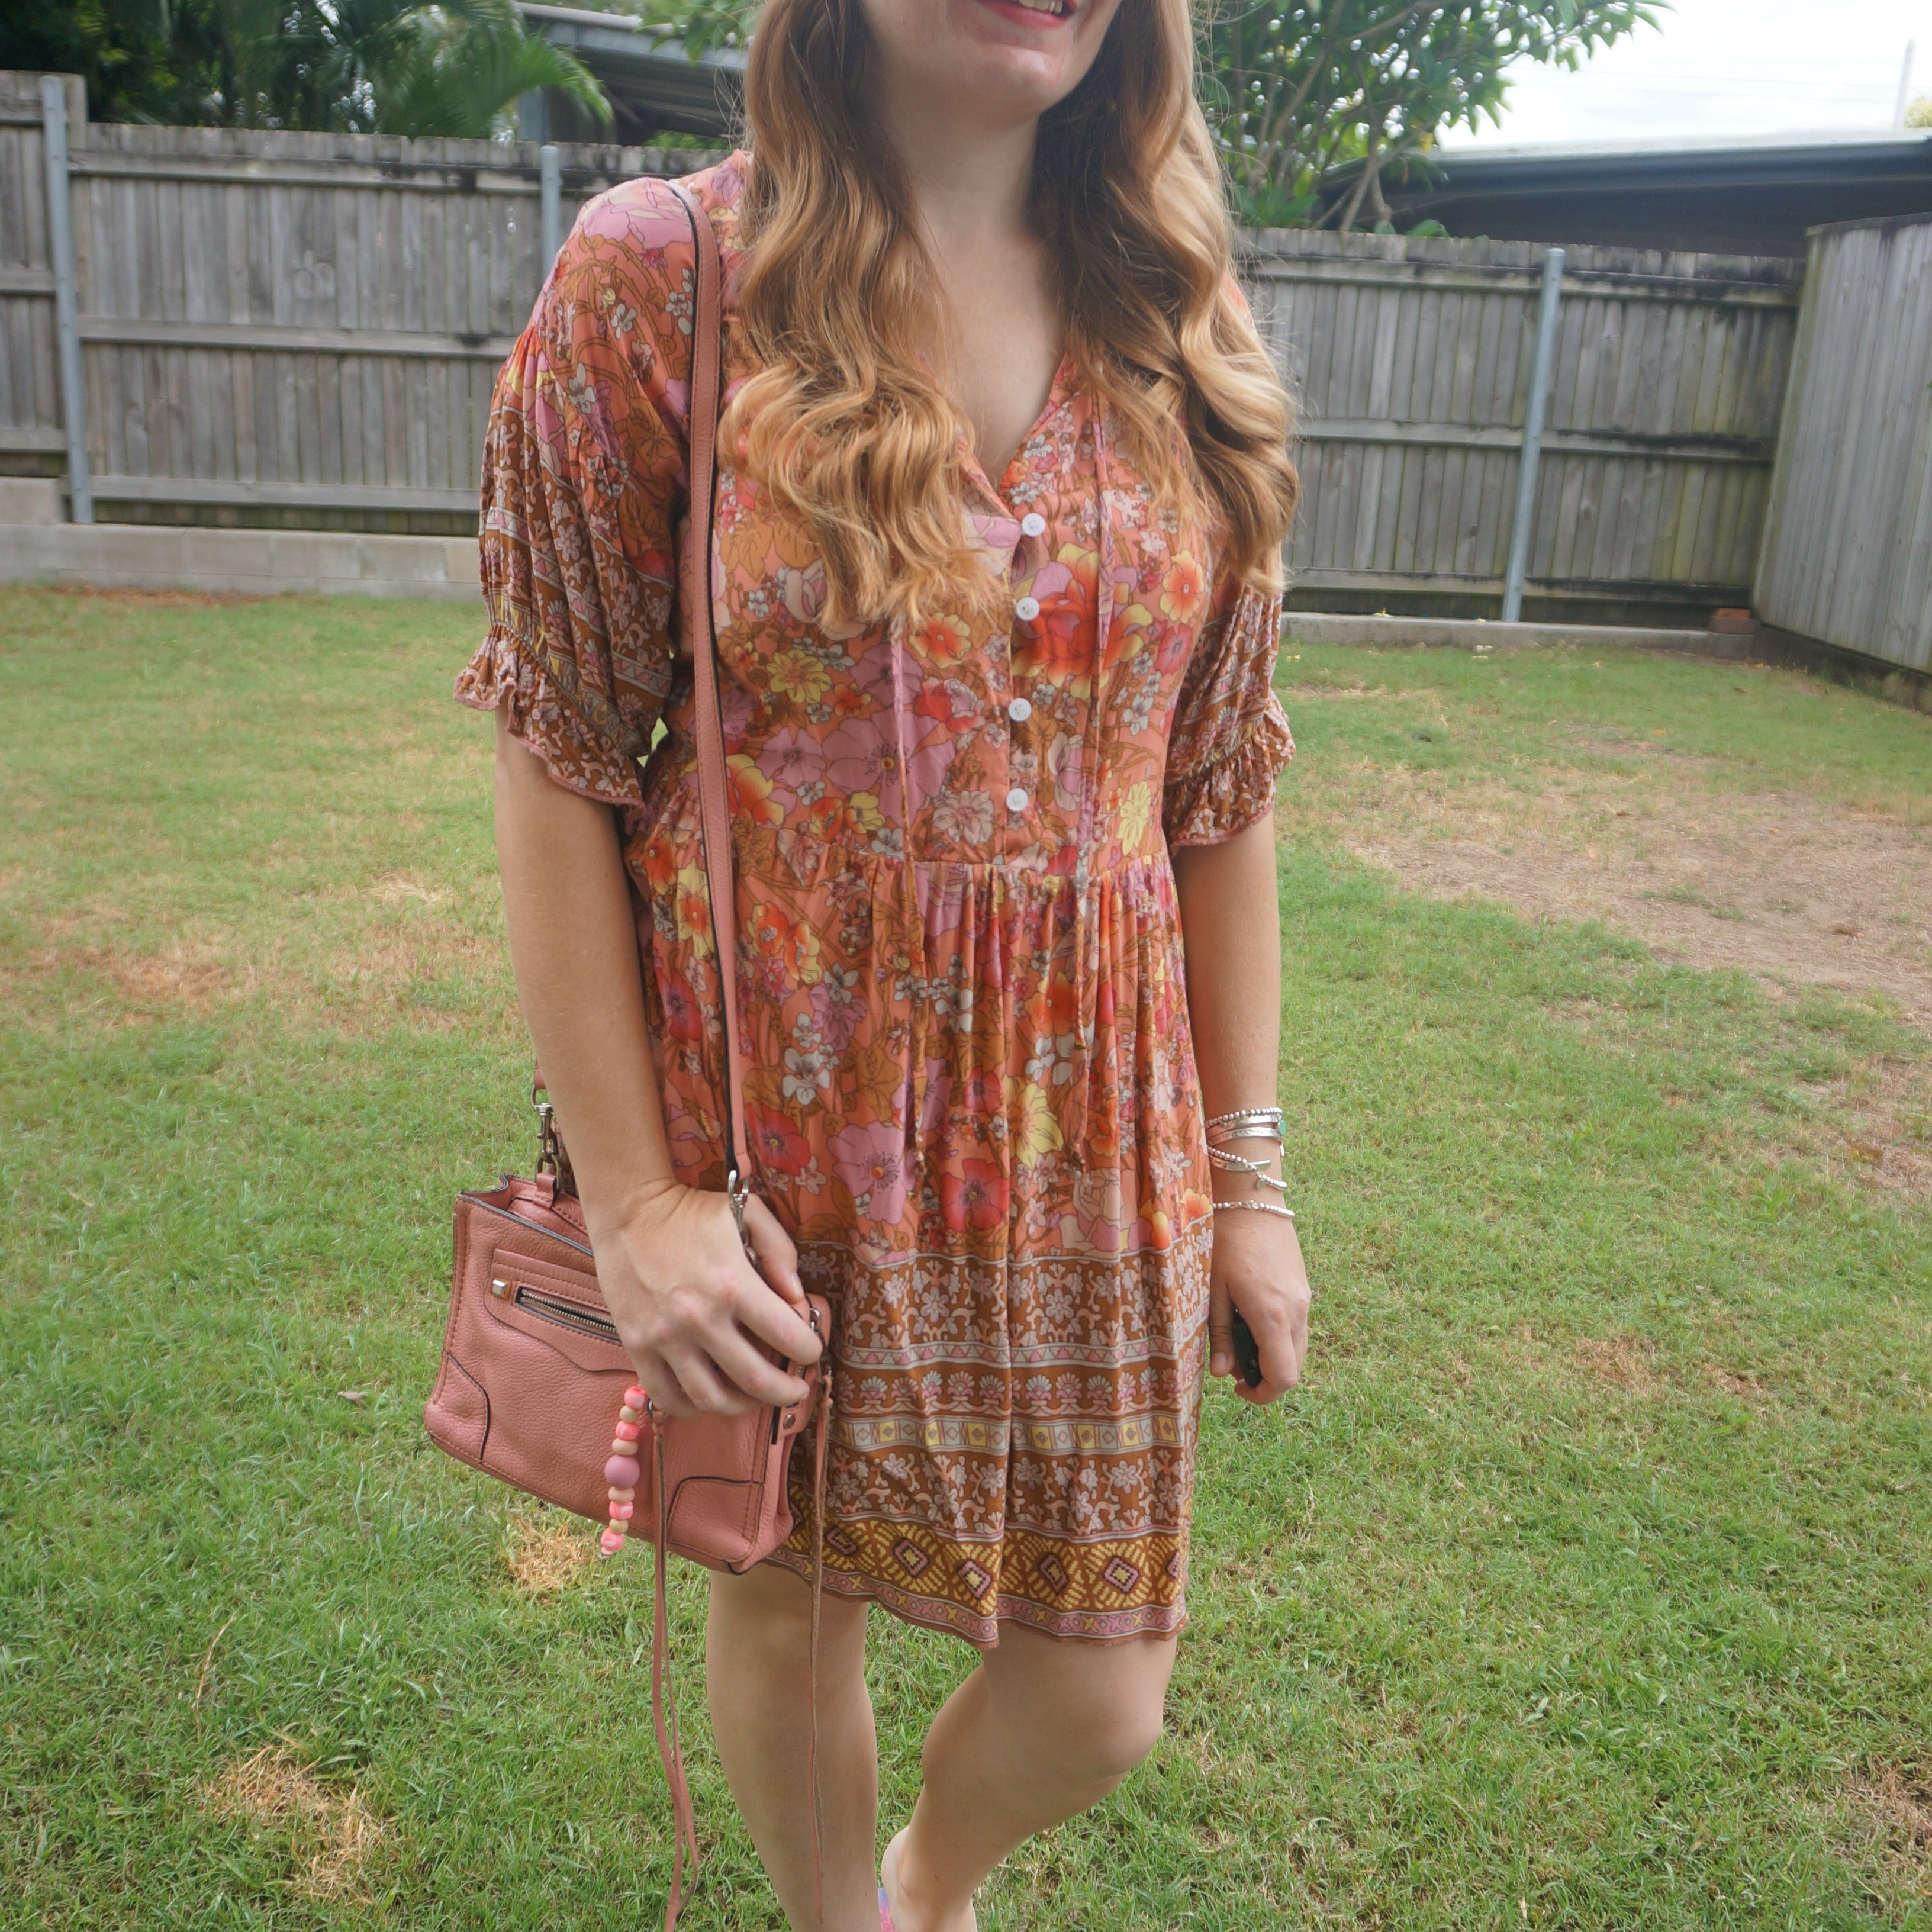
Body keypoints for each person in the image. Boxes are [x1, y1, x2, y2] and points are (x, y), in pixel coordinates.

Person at [458, 0, 1312, 1925]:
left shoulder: (1177, 311)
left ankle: (932, 1884)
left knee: (1102, 1701)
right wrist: (635, 1209)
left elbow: (1218, 793)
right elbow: (557, 750)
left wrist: (1251, 1184)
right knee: (793, 1601)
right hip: (781, 1121)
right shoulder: (667, 279)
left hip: (1097, 1144)